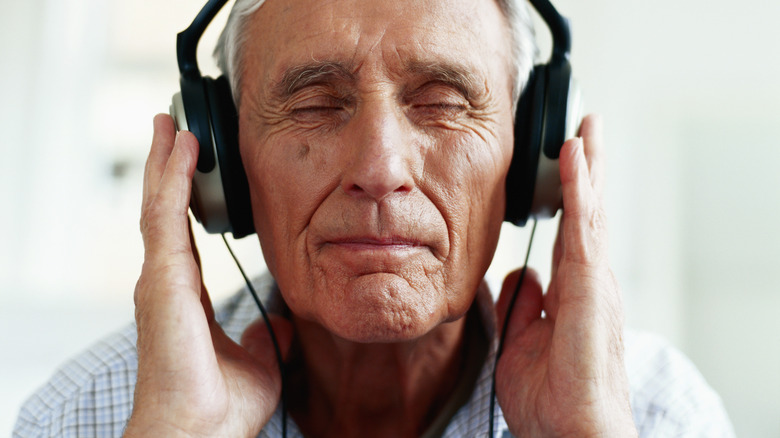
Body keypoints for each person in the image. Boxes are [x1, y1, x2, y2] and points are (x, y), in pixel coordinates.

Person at [14, 0, 735, 436]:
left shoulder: (658, 413)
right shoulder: (84, 419)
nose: (380, 167)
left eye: (444, 102)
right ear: (223, 165)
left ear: (535, 157)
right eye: (316, 103)